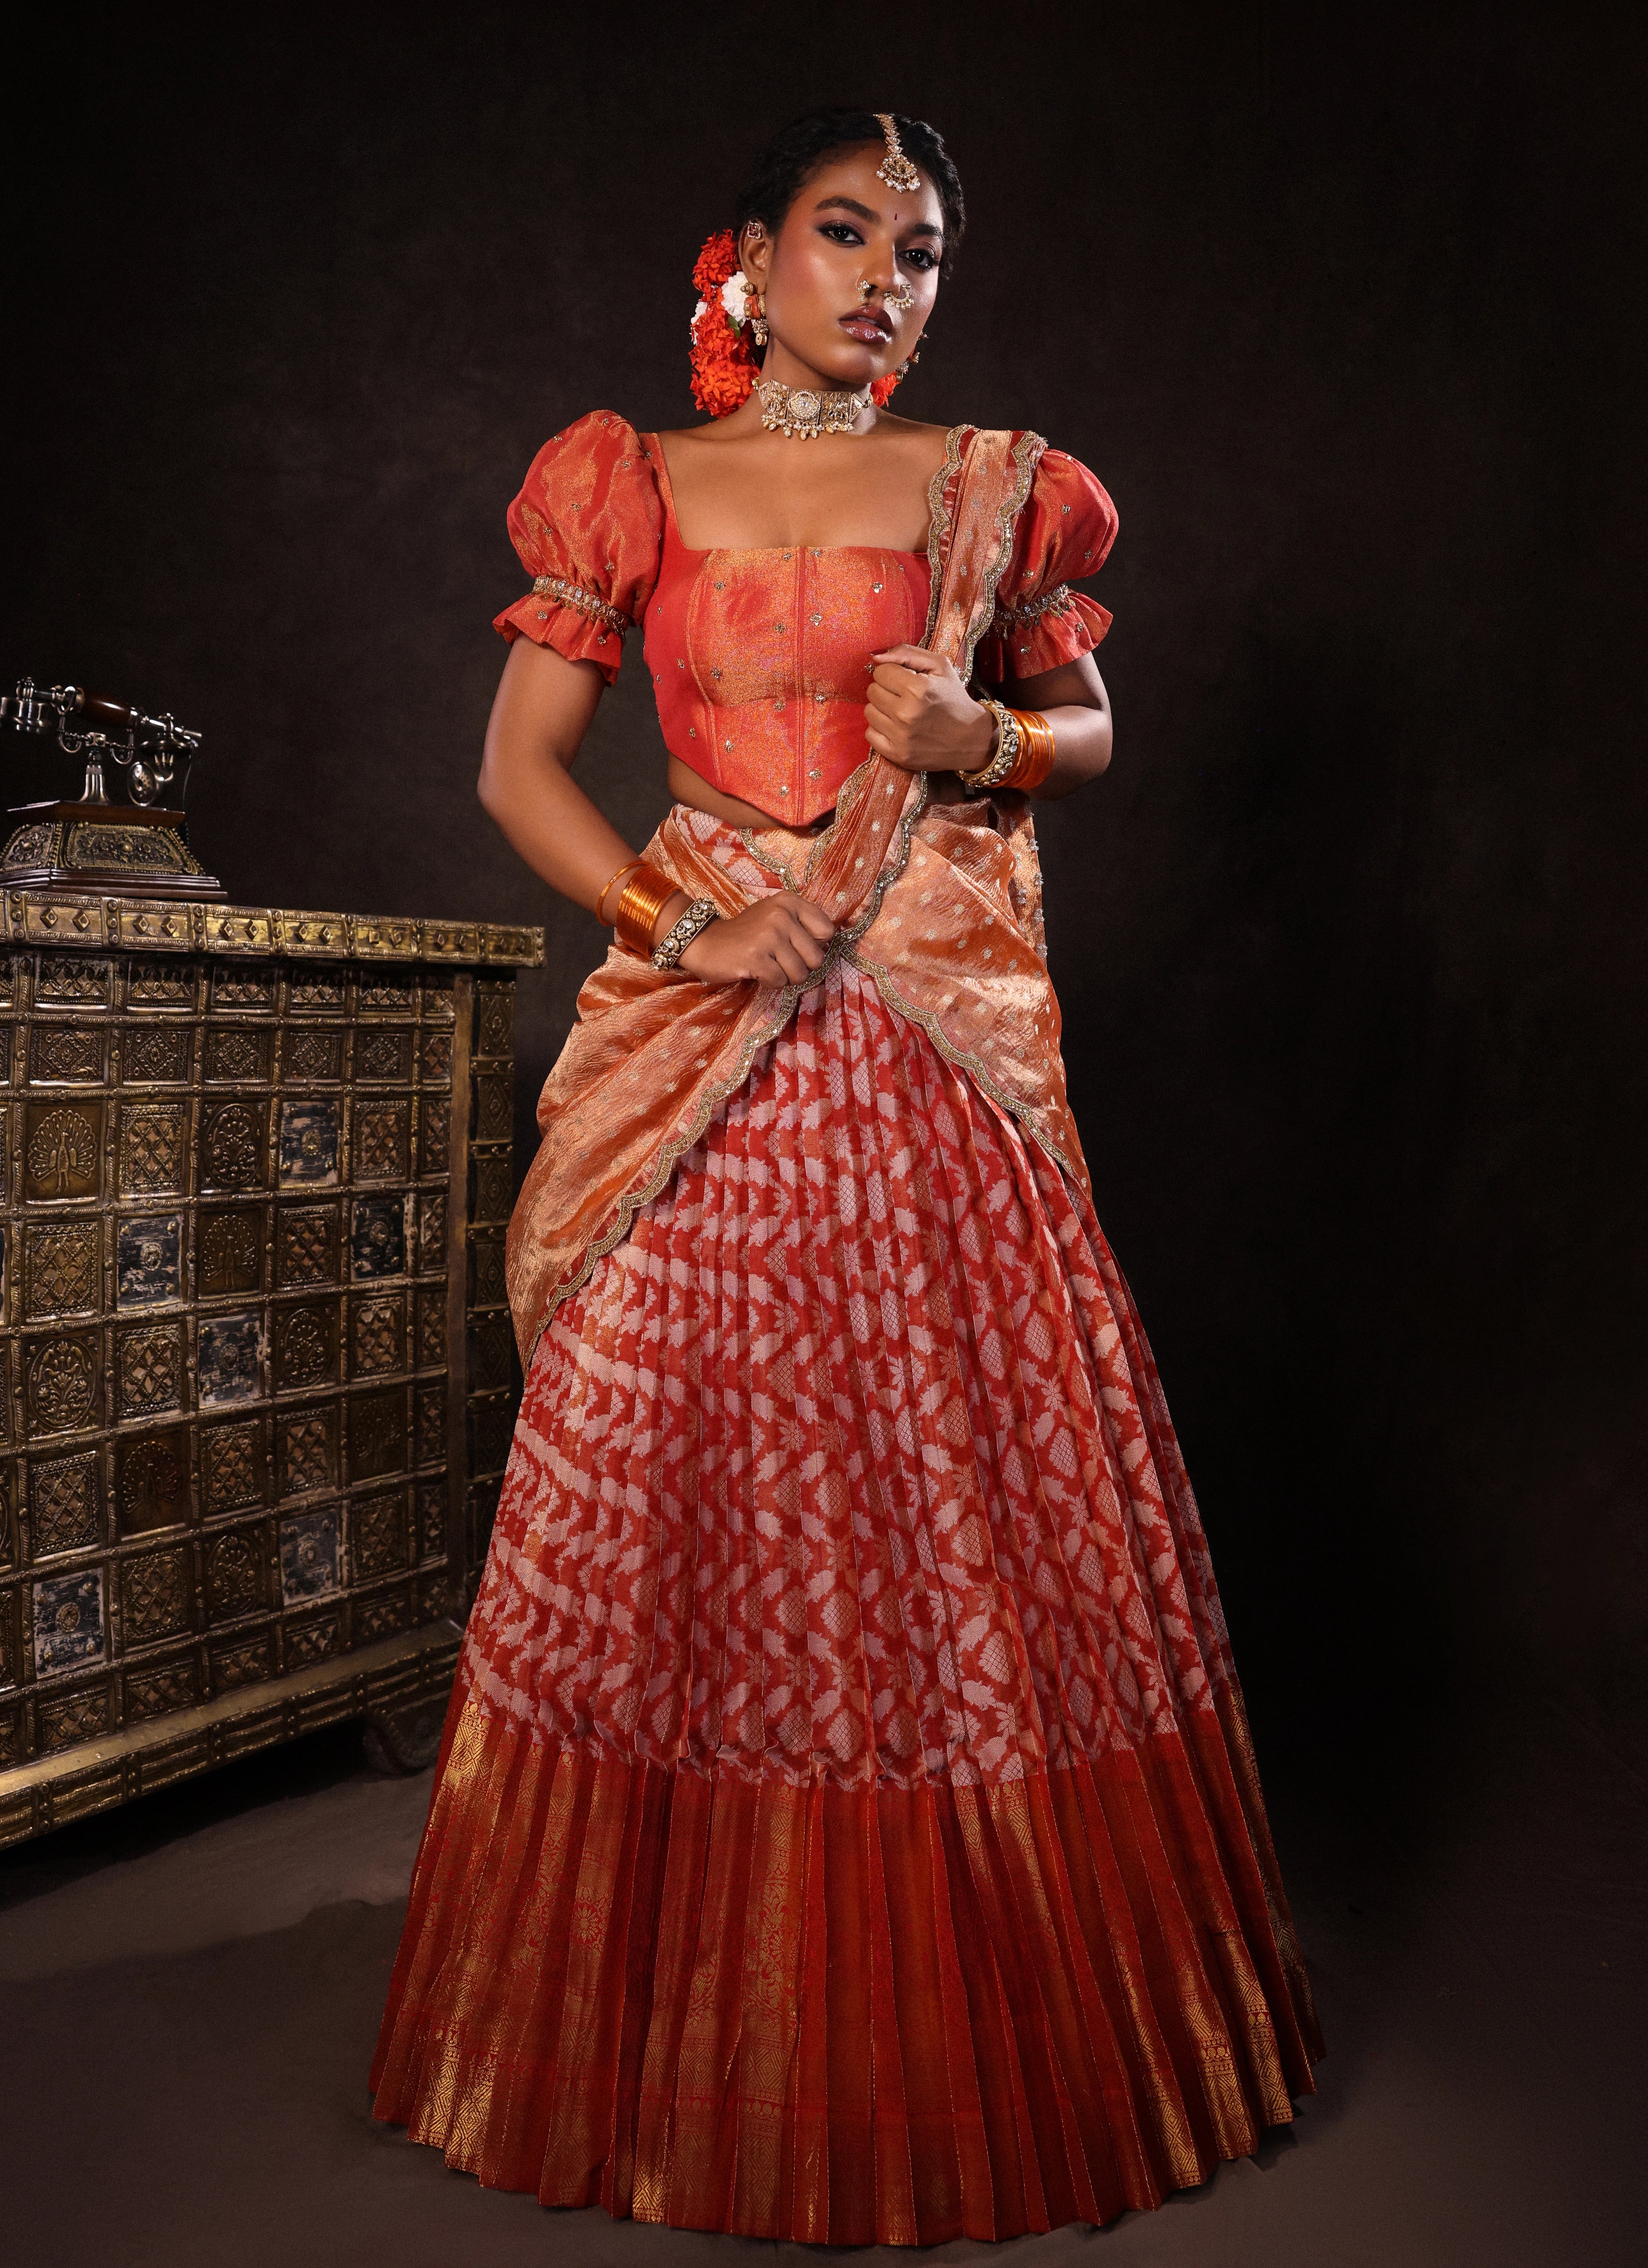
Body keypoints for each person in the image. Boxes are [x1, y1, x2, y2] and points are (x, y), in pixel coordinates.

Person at [371, 108, 1321, 2244]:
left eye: (923, 248)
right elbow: (517, 766)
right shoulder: (634, 476)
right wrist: (677, 919)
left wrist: (979, 740)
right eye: (844, 229)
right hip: (715, 1021)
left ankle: (971, 2017)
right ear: (747, 255)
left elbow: (1086, 732)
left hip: (924, 1036)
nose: (886, 273)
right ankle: (659, 2037)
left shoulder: (991, 483)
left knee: (949, 1498)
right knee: (661, 1482)